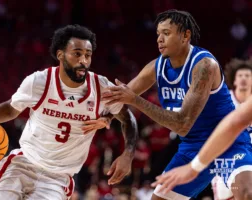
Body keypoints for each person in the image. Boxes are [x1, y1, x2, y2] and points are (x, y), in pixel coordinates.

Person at [0, 25, 138, 200]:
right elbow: (11, 108)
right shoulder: (39, 82)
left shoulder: (102, 88)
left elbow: (127, 117)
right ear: (60, 55)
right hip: (23, 163)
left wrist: (128, 153)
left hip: (58, 178)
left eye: (88, 55)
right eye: (77, 54)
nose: (84, 60)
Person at [101, 9, 252, 200]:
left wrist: (134, 100)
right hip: (191, 147)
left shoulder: (205, 66)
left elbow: (182, 124)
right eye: (158, 34)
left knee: (246, 193)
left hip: (228, 144)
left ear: (185, 35)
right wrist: (105, 117)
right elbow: (120, 97)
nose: (159, 39)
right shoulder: (156, 66)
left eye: (166, 33)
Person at [211, 58, 252, 200]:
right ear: (234, 80)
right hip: (227, 158)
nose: (244, 79)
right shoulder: (224, 100)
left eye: (248, 76)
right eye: (240, 76)